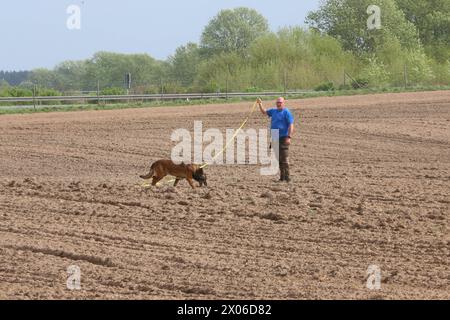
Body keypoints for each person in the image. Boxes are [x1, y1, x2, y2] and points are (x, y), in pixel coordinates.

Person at [257, 97, 294, 182]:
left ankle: (287, 178)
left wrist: (289, 137)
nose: (279, 104)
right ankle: (282, 177)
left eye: (280, 102)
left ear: (283, 103)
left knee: (284, 158)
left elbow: (291, 125)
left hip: (283, 137)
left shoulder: (286, 112)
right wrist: (260, 104)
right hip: (274, 136)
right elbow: (264, 112)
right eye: (277, 102)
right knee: (278, 158)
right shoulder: (273, 111)